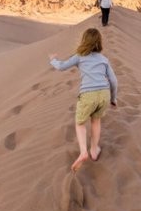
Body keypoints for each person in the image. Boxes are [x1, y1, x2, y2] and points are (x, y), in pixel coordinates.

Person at [49, 28, 118, 172]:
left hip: (88, 95)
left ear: (84, 41)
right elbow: (113, 80)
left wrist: (53, 60)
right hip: (104, 94)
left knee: (80, 123)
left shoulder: (79, 56)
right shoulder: (104, 59)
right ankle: (94, 150)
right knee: (96, 121)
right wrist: (113, 98)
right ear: (99, 43)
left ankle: (83, 151)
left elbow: (61, 67)